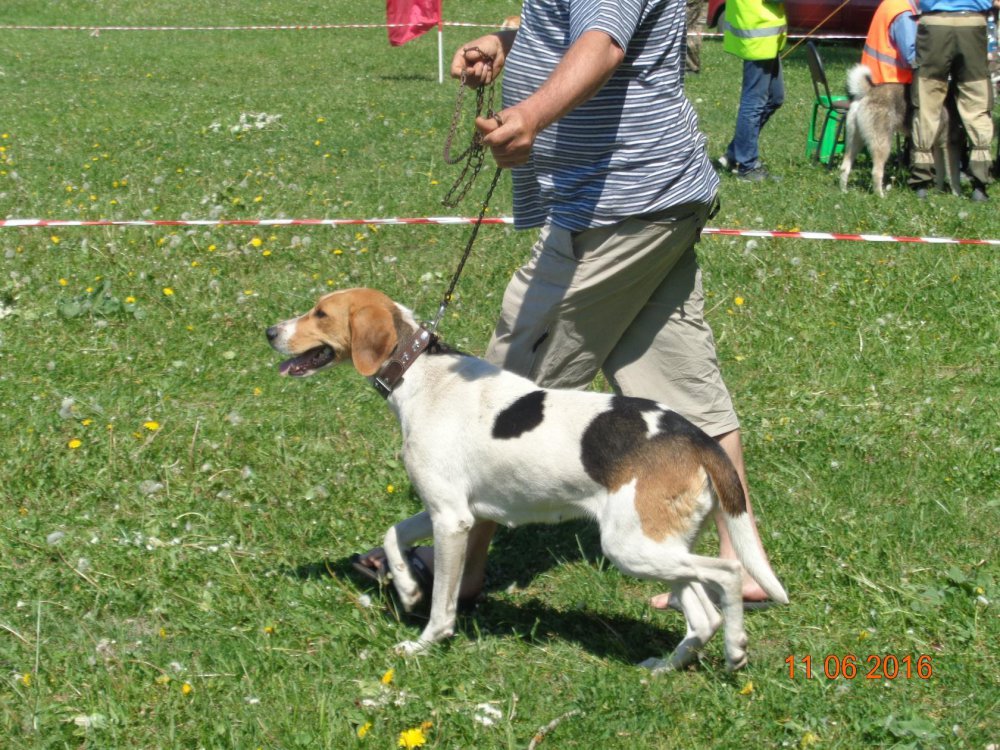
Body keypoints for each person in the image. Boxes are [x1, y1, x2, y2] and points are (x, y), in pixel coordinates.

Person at [355, 0, 778, 609]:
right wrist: (508, 44)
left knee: (501, 387)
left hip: (617, 205)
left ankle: (459, 571)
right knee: (680, 380)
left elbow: (604, 41)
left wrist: (529, 114)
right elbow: (579, 25)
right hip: (651, 197)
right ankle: (739, 566)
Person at [909, 0, 997, 201]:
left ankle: (921, 182)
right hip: (973, 24)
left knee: (926, 100)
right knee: (976, 100)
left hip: (934, 25)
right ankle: (980, 185)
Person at [719, 0, 787, 181]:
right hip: (758, 36)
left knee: (775, 98)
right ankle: (746, 167)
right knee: (754, 103)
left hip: (764, 35)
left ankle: (735, 153)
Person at [862, 0, 920, 84]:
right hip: (892, 84)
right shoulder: (904, 14)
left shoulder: (891, 3)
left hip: (872, 80)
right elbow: (910, 59)